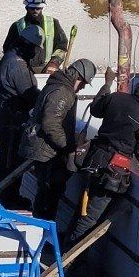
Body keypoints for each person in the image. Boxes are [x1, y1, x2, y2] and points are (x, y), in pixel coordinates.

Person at [60, 77, 139, 246]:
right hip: (111, 172)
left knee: (83, 210)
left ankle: (63, 250)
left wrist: (106, 85)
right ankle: (66, 262)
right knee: (90, 218)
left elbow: (95, 109)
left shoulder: (117, 97)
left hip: (92, 159)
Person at [18, 59, 96, 219]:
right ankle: (44, 234)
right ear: (78, 78)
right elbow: (51, 124)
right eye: (83, 84)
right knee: (48, 194)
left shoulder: (57, 86)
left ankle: (44, 231)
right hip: (47, 151)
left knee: (47, 192)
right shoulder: (62, 92)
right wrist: (68, 146)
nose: (83, 88)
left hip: (45, 148)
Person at [0, 46, 41, 192]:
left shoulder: (10, 57)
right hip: (13, 119)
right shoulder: (18, 65)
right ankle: (7, 196)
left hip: (8, 114)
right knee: (10, 160)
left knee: (7, 159)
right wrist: (43, 99)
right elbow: (29, 93)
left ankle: (6, 193)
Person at [3, 0, 69, 75]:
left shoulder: (52, 23)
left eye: (38, 8)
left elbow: (62, 46)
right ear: (26, 7)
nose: (35, 11)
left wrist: (54, 63)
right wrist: (18, 64)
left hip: (47, 71)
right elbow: (8, 50)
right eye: (32, 8)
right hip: (23, 71)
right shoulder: (17, 26)